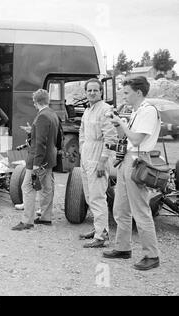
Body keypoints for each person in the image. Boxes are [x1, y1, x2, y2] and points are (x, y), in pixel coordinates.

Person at [104, 76, 161, 271]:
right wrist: (118, 124)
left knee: (140, 210)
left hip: (138, 159)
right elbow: (124, 138)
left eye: (126, 92)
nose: (124, 96)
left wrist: (122, 122)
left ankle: (152, 255)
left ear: (138, 92)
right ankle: (122, 247)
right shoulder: (136, 112)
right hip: (127, 159)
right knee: (121, 207)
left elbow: (136, 139)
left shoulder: (148, 111)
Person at [12, 89, 60, 230]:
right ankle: (46, 217)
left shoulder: (42, 117)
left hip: (39, 159)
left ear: (36, 102)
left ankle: (27, 221)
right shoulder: (52, 114)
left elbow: (40, 143)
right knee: (47, 188)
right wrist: (32, 131)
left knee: (27, 187)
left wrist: (36, 164)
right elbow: (53, 137)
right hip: (50, 158)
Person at [78, 78, 118, 248]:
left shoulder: (106, 110)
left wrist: (103, 161)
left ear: (101, 92)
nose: (92, 93)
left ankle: (102, 236)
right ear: (86, 92)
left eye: (95, 90)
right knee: (89, 195)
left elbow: (111, 138)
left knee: (97, 196)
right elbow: (82, 132)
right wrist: (82, 150)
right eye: (89, 90)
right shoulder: (88, 110)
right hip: (87, 154)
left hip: (98, 156)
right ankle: (98, 228)